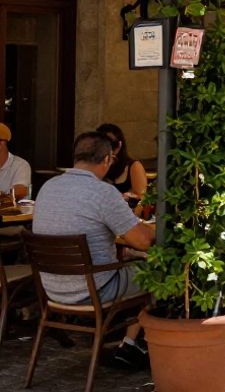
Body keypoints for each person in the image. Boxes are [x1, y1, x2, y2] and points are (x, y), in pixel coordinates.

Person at [33, 131, 154, 368]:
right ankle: (132, 344)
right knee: (157, 272)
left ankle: (131, 341)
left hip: (51, 289)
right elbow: (143, 241)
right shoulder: (103, 192)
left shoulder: (48, 187)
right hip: (94, 290)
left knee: (128, 261)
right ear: (107, 159)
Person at [95, 123, 148, 202]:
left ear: (119, 145)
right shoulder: (96, 165)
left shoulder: (133, 166)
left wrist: (126, 197)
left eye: (111, 144)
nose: (106, 148)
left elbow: (142, 198)